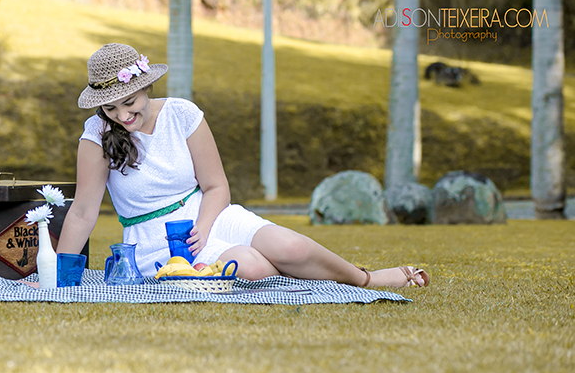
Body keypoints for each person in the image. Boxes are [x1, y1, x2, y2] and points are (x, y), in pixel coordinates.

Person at [55, 43, 430, 288]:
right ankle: (305, 277)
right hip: (155, 239)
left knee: (290, 247)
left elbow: (216, 186)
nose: (123, 115)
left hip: (209, 215)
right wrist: (56, 277)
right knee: (251, 268)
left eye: (130, 102)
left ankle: (366, 279)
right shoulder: (96, 135)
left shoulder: (182, 114)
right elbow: (83, 212)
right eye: (110, 108)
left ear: (146, 87)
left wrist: (203, 227)